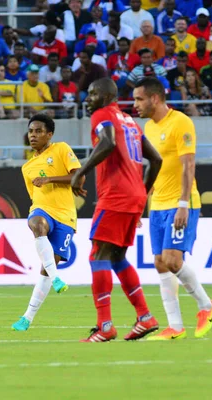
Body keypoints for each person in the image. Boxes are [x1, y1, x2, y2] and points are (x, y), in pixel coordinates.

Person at [70, 77, 163, 342]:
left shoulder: (103, 114)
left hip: (116, 196)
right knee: (117, 258)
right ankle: (145, 317)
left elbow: (108, 141)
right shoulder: (131, 121)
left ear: (105, 95)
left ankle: (105, 326)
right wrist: (142, 194)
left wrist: (81, 173)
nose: (88, 99)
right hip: (133, 197)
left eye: (91, 93)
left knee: (97, 256)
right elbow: (155, 159)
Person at [132, 76, 212, 341]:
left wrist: (183, 204)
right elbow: (150, 168)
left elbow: (188, 165)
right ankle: (175, 326)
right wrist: (139, 204)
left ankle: (206, 305)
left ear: (155, 98)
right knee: (159, 263)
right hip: (157, 204)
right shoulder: (146, 127)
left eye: (139, 99)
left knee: (172, 260)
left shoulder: (181, 122)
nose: (135, 104)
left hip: (181, 203)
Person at [11, 114, 81, 332]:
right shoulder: (27, 167)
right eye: (31, 131)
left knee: (47, 267)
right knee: (37, 223)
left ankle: (27, 318)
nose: (33, 135)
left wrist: (50, 179)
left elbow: (78, 176)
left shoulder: (61, 149)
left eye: (39, 131)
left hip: (66, 215)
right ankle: (57, 278)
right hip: (42, 209)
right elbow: (35, 196)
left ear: (49, 134)